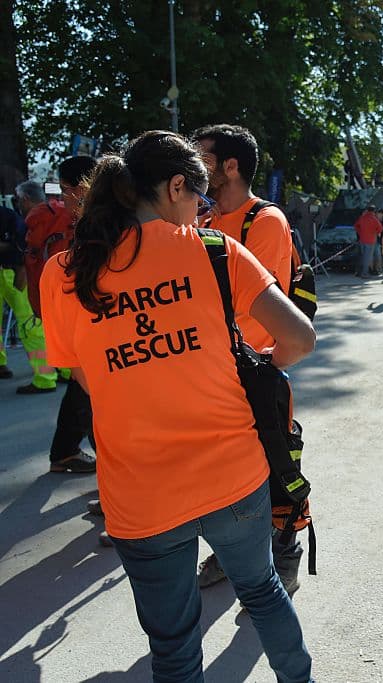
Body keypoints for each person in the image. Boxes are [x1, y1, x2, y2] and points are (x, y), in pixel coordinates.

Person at [39, 130, 314, 682]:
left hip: (140, 492)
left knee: (172, 642)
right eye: (199, 198)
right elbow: (300, 339)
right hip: (232, 473)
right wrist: (259, 367)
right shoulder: (214, 252)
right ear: (174, 186)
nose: (200, 211)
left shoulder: (64, 273)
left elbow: (88, 380)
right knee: (261, 590)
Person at [191, 123, 306, 595]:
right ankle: (231, 554)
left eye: (203, 158)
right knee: (224, 477)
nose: (195, 168)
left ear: (230, 166)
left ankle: (285, 561)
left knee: (276, 470)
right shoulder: (205, 220)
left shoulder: (265, 221)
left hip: (255, 369)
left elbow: (250, 301)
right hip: (213, 371)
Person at [41, 157, 100, 473]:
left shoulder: (92, 221)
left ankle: (64, 451)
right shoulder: (93, 220)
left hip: (85, 320)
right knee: (88, 394)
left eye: (64, 190)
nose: (62, 199)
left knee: (82, 389)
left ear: (80, 188)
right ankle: (107, 470)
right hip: (87, 321)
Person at [1, 204, 58, 395]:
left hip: (11, 272)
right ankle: (61, 372)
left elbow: (24, 244)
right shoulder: (8, 214)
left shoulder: (7, 216)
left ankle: (45, 377)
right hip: (11, 271)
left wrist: (21, 270)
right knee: (31, 324)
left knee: (30, 326)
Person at [354, 205, 382, 278]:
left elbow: (356, 226)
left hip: (362, 239)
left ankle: (360, 272)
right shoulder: (374, 219)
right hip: (371, 240)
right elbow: (380, 228)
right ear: (374, 211)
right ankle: (365, 273)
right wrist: (375, 232)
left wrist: (360, 233)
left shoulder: (362, 217)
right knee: (368, 257)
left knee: (363, 256)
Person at [374, 207, 383, 275]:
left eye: (380, 214)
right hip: (377, 240)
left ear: (382, 214)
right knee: (377, 256)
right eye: (377, 214)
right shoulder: (375, 221)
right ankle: (377, 269)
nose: (378, 215)